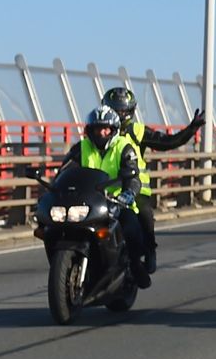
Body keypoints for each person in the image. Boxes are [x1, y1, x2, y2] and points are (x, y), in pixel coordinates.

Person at [100, 86, 205, 275]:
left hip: (135, 189)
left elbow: (168, 142)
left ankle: (149, 251)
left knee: (145, 215)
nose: (118, 114)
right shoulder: (99, 132)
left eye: (123, 110)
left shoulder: (138, 131)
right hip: (103, 189)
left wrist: (191, 129)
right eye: (114, 109)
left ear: (130, 112)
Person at [48, 106, 150, 288]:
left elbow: (133, 178)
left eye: (106, 128)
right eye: (97, 128)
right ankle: (64, 270)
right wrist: (52, 190)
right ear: (90, 130)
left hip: (115, 203)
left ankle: (135, 265)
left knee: (131, 226)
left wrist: (128, 194)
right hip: (87, 202)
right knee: (51, 228)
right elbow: (64, 172)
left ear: (113, 130)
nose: (101, 132)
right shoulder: (81, 148)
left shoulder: (123, 148)